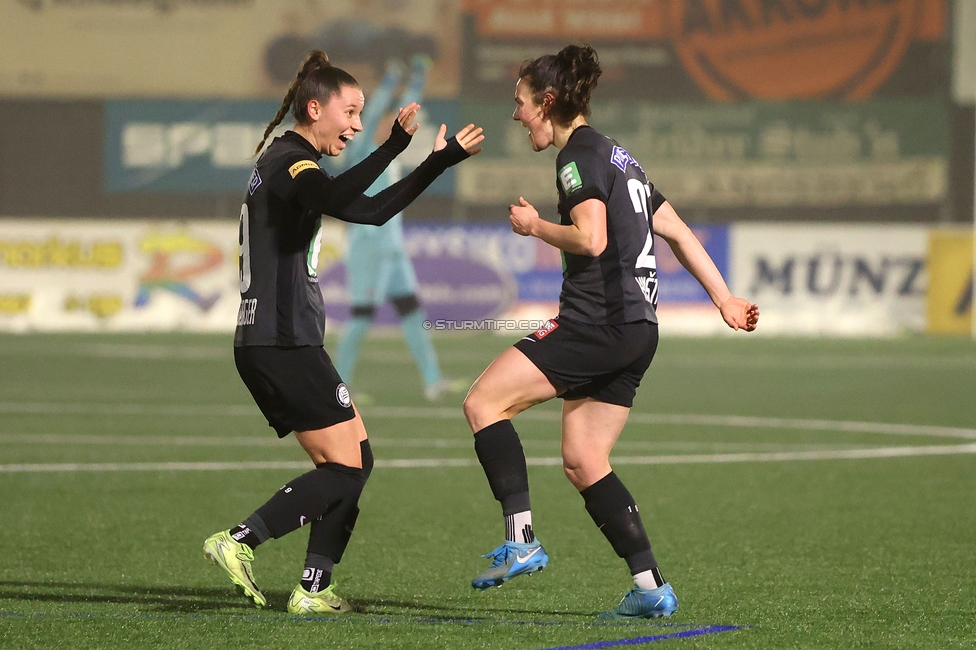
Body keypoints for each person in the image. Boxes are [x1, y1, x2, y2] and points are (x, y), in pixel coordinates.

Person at [462, 44, 759, 619]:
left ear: (547, 102)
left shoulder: (576, 157)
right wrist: (724, 298)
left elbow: (591, 238)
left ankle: (520, 540)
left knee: (483, 403)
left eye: (520, 104)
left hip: (595, 323)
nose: (516, 115)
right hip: (637, 331)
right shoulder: (624, 159)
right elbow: (675, 231)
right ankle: (650, 587)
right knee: (584, 457)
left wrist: (535, 227)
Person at [203, 50, 483, 615]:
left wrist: (437, 161)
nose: (356, 125)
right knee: (345, 466)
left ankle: (313, 587)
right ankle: (239, 541)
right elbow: (334, 199)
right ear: (315, 108)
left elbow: (374, 211)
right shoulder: (290, 160)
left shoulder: (294, 166)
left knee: (358, 457)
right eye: (350, 113)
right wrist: (395, 147)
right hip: (281, 343)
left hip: (281, 341)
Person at [333, 55, 458, 401]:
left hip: (393, 248)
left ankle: (433, 381)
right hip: (368, 246)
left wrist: (417, 81)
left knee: (411, 310)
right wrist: (389, 83)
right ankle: (338, 384)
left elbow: (405, 114)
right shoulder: (358, 151)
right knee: (362, 315)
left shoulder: (387, 154)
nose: (388, 121)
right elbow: (373, 114)